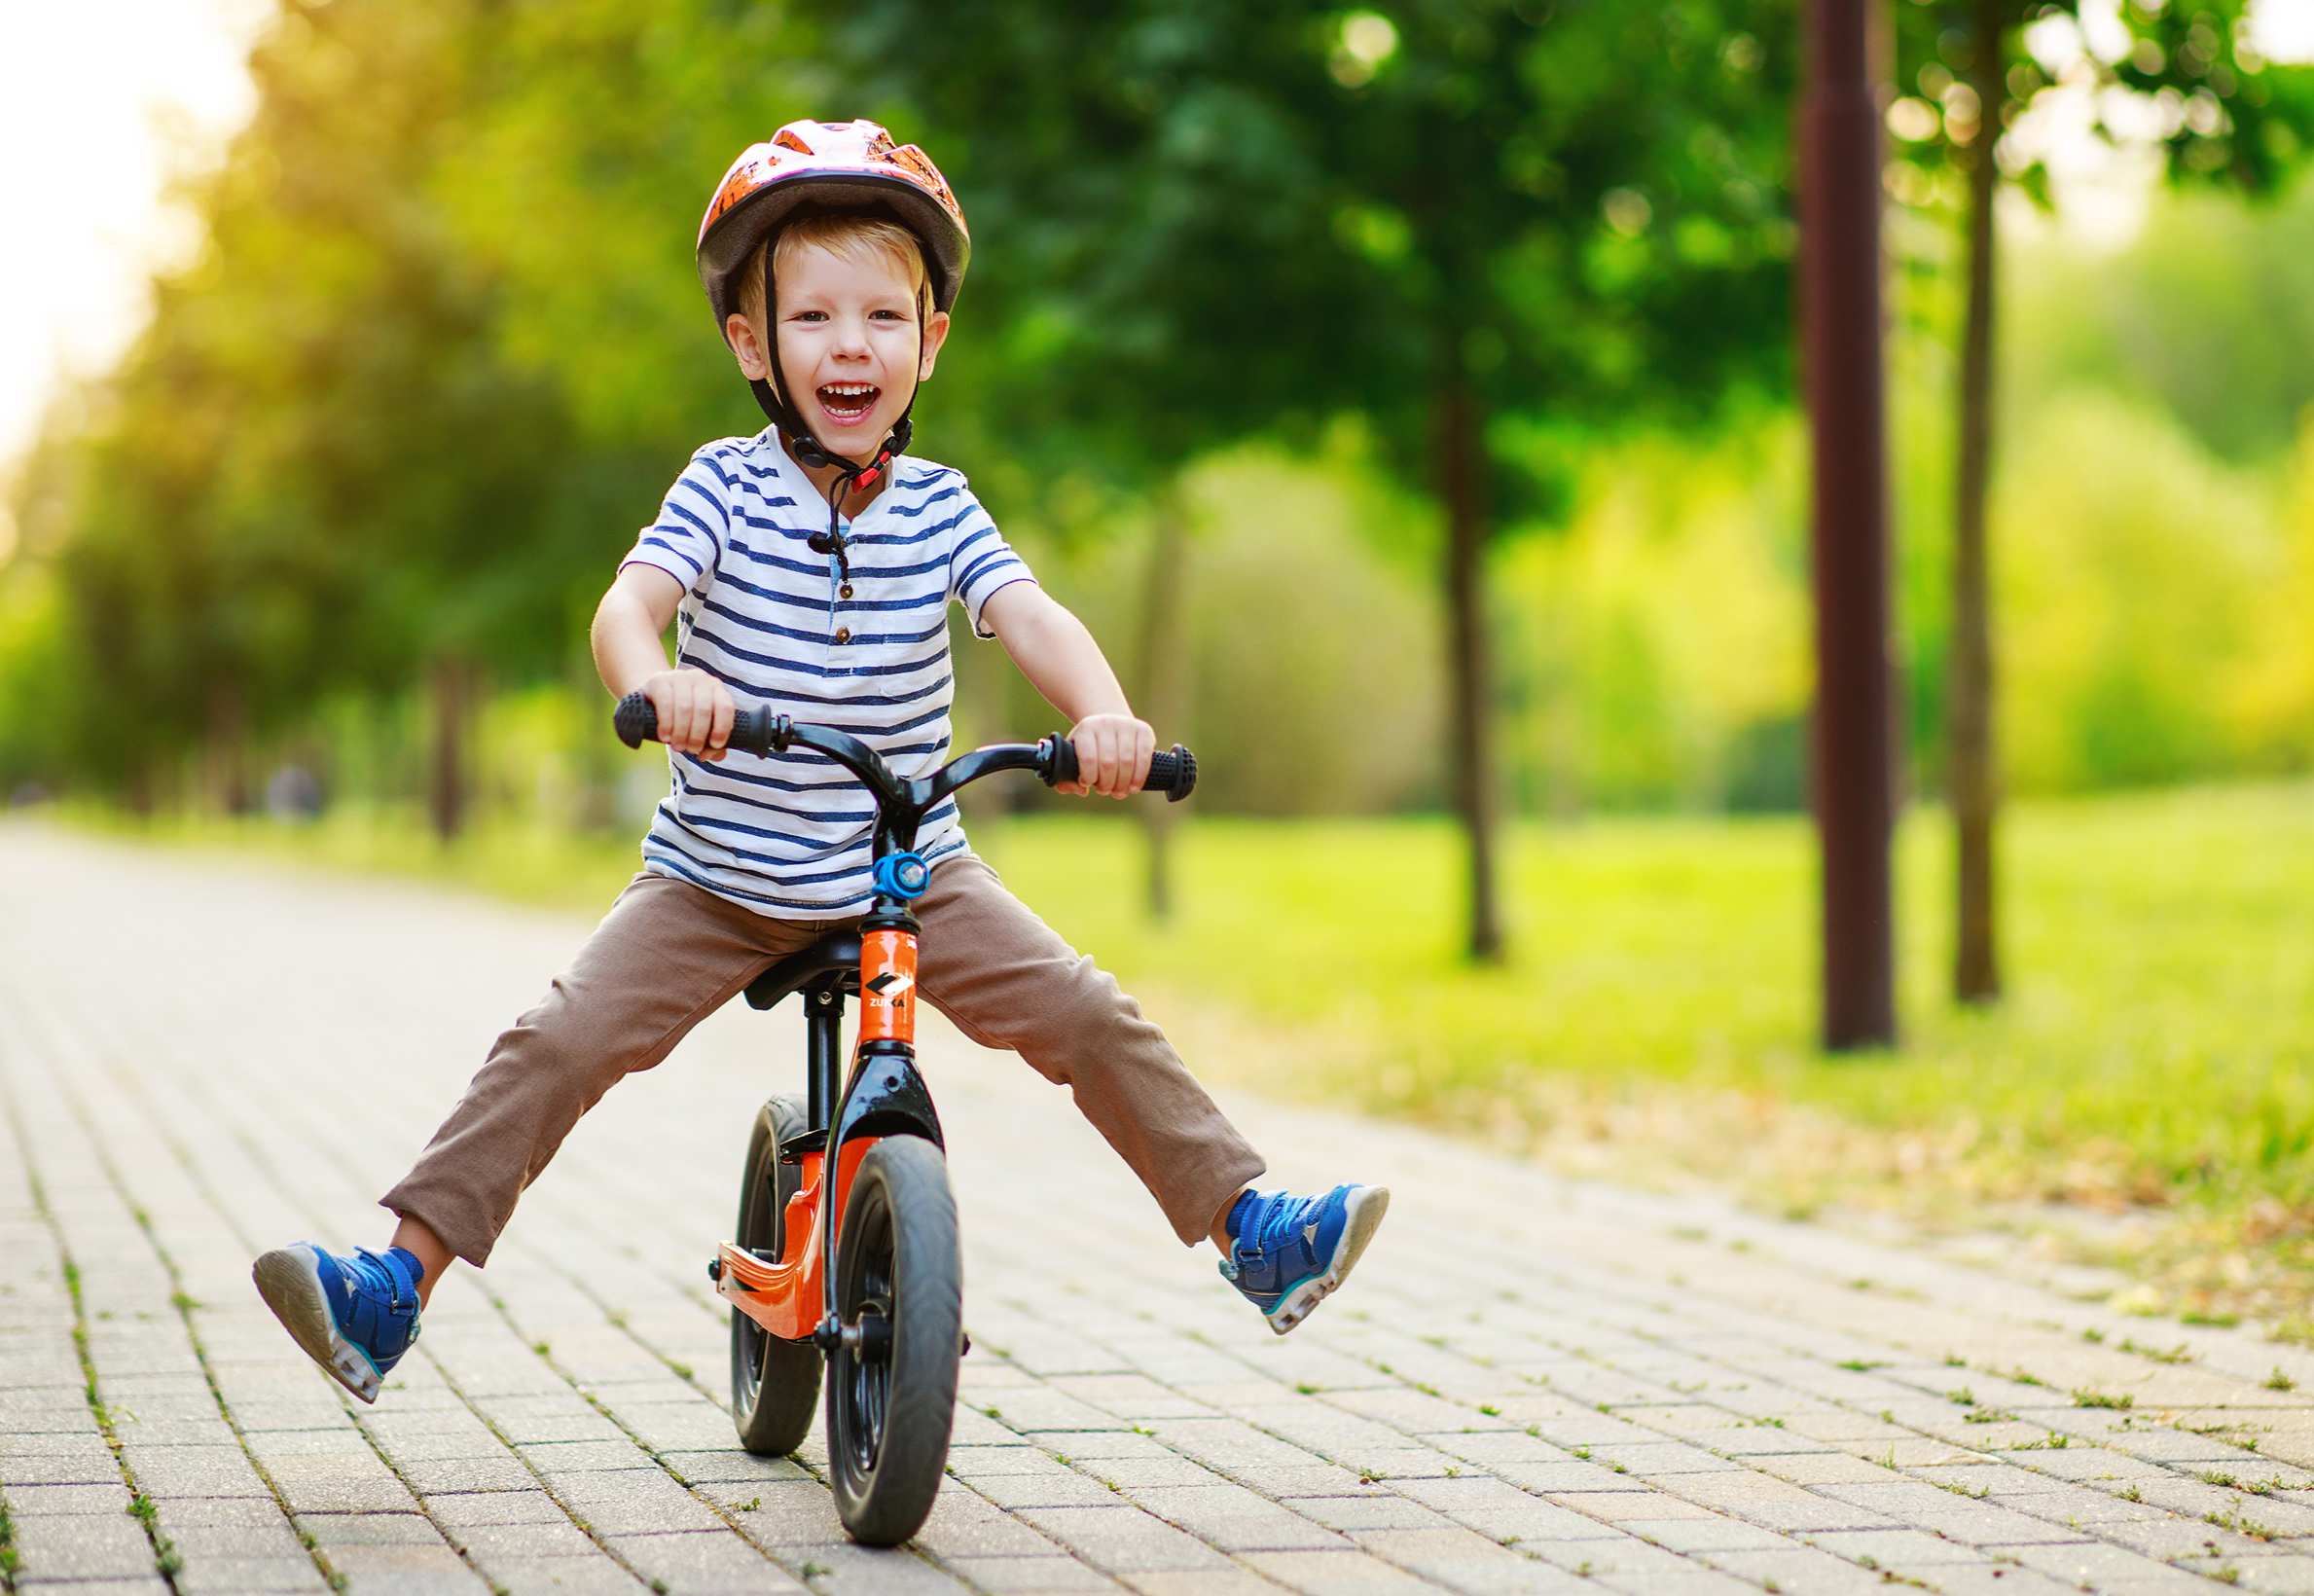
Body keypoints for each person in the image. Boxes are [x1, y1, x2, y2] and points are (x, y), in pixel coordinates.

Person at [253, 120, 1389, 1406]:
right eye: (813, 319)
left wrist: (1107, 714)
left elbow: (1031, 618)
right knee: (558, 1041)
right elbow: (625, 610)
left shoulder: (944, 506)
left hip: (911, 869)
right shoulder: (722, 491)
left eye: (882, 318)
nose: (850, 346)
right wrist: (656, 682)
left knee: (1085, 1012)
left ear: (929, 340)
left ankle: (1252, 1234)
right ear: (753, 344)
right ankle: (391, 1287)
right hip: (717, 877)